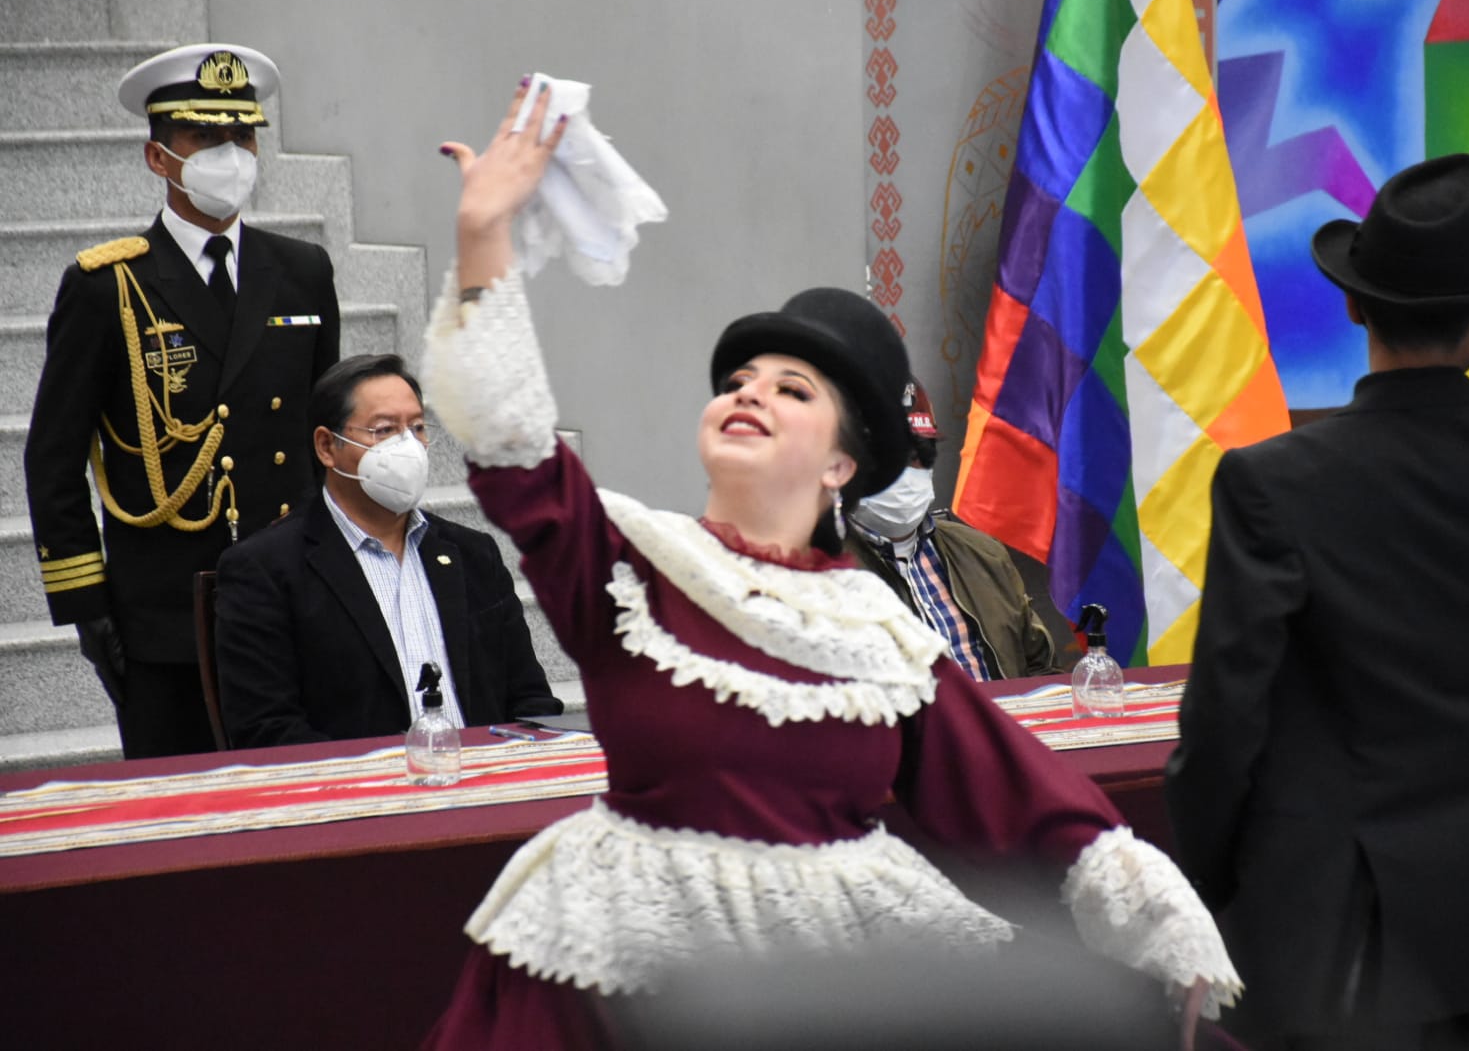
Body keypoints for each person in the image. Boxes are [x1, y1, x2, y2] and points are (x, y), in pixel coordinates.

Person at [417, 79, 1239, 1051]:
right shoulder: (630, 564)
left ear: (842, 463)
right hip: (615, 982)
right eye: (737, 381)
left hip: (830, 981)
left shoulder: (876, 633)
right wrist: (483, 236)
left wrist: (1160, 923)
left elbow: (1019, 799)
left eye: (792, 389)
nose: (749, 394)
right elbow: (510, 444)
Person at [1165, 144, 1469, 1050]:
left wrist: (1195, 887)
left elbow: (1226, 715)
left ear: (1354, 304)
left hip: (1338, 928)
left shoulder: (1271, 483)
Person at [23, 43, 340, 758]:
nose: (231, 156)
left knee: (302, 789)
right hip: (167, 611)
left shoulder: (302, 270)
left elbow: (326, 434)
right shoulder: (107, 287)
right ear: (158, 157)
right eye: (204, 136)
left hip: (292, 589)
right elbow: (54, 457)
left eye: (243, 136)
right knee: (185, 801)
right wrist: (86, 604)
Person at [212, 353, 561, 748]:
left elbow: (531, 701)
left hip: (484, 775)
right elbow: (266, 729)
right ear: (327, 446)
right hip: (358, 781)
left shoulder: (473, 555)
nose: (408, 446)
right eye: (384, 430)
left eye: (417, 428)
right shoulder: (265, 569)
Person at [846, 375, 1065, 679]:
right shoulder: (812, 574)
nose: (907, 471)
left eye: (918, 454)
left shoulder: (982, 555)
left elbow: (1039, 670)